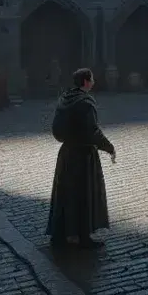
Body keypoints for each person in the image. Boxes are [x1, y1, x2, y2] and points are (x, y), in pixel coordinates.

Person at [47, 68, 115, 249]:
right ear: (86, 82)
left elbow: (56, 128)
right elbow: (92, 131)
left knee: (65, 195)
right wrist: (109, 147)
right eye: (91, 79)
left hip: (67, 153)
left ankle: (59, 234)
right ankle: (84, 237)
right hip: (83, 155)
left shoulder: (65, 99)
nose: (93, 82)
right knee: (84, 194)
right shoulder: (85, 102)